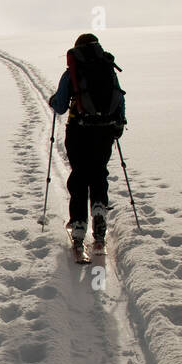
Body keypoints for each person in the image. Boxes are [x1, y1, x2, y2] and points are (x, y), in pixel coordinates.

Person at [47, 33, 126, 252]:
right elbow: (119, 97)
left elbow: (61, 106)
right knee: (99, 172)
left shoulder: (72, 71)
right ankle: (99, 215)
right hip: (105, 131)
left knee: (80, 175)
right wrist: (118, 124)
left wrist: (53, 100)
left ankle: (79, 225)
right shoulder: (108, 67)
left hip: (79, 130)